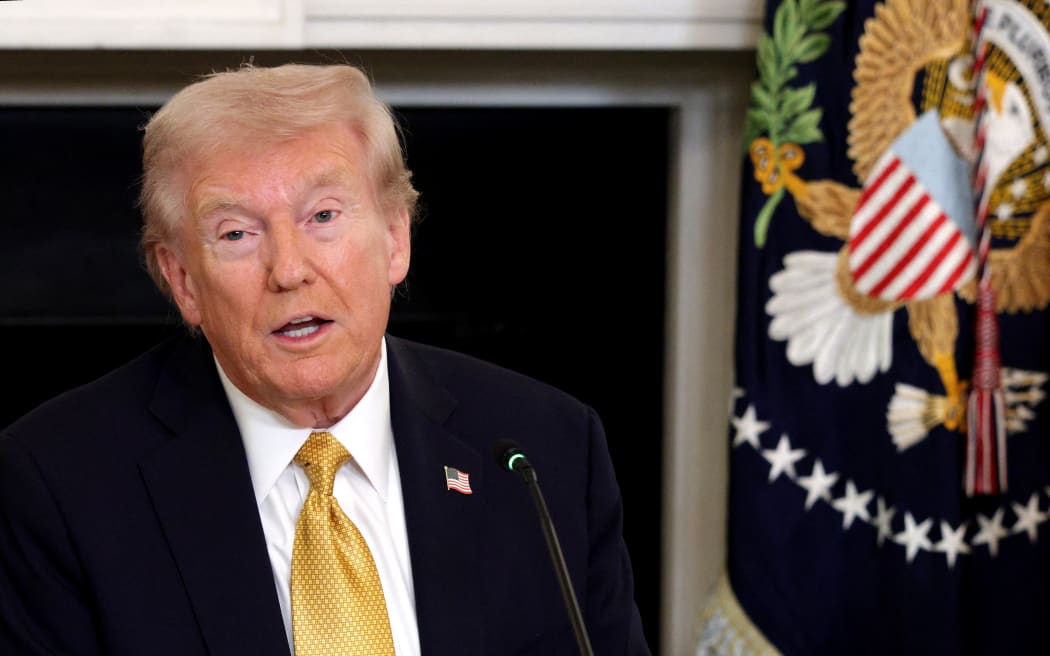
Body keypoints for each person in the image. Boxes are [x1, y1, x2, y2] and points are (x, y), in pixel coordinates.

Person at [0, 63, 650, 655]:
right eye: (236, 233)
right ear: (183, 281)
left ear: (395, 238)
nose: (289, 270)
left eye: (323, 215)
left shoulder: (545, 450)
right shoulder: (60, 484)